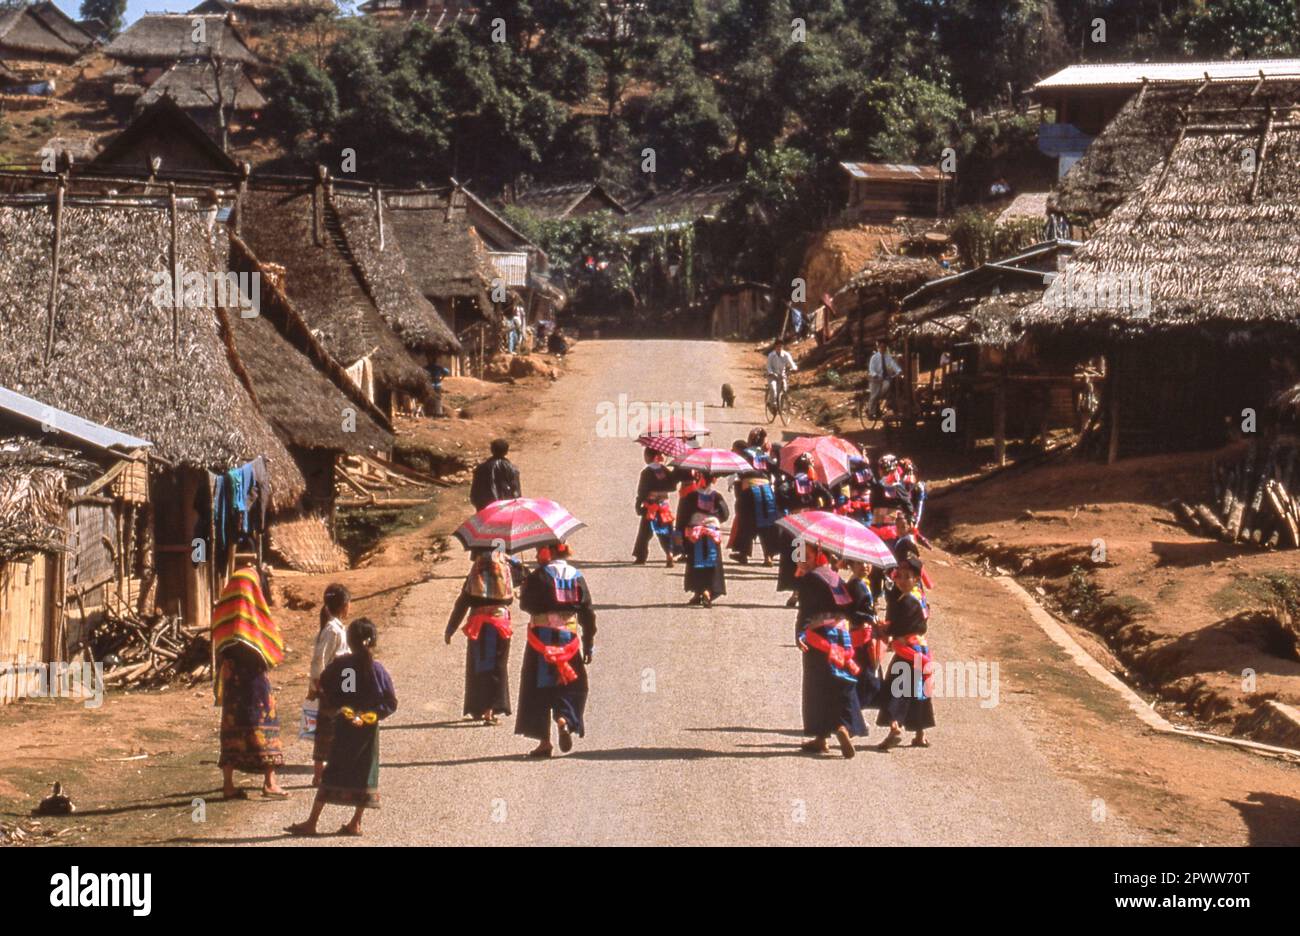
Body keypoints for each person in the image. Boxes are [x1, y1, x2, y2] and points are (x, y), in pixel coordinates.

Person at [287, 619, 398, 837]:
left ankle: (312, 822)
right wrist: (368, 716)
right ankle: (356, 822)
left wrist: (343, 708)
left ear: (349, 640)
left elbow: (328, 685)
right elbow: (390, 702)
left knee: (334, 770)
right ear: (372, 642)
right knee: (365, 773)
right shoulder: (377, 670)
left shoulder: (343, 666)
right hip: (367, 730)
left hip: (345, 726)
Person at [212, 555, 286, 800]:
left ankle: (228, 785)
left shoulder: (225, 612)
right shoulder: (254, 617)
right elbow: (268, 642)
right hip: (254, 681)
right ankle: (269, 782)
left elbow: (219, 642)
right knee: (265, 724)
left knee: (232, 727)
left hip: (233, 682)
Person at [516, 543, 596, 757]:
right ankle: (565, 719)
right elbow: (587, 611)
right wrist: (588, 643)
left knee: (537, 688)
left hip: (540, 640)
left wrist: (525, 587)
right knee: (571, 685)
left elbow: (527, 606)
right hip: (567, 639)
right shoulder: (576, 575)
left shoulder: (540, 576)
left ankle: (544, 742)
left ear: (547, 552)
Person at [795, 546, 868, 758]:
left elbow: (806, 611)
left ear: (818, 556)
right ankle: (839, 729)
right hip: (841, 635)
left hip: (819, 637)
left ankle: (826, 734)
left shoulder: (810, 580)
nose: (801, 563)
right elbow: (849, 609)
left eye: (805, 558)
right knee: (839, 681)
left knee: (817, 685)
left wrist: (799, 633)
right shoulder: (836, 579)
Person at [444, 548, 522, 725]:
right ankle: (490, 710)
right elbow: (523, 580)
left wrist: (450, 628)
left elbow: (463, 602)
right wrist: (517, 563)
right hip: (500, 624)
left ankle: (477, 708)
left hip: (478, 625)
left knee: (478, 665)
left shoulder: (475, 573)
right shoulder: (507, 570)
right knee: (498, 666)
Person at [876, 557, 936, 750]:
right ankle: (920, 734)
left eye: (907, 577)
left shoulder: (907, 601)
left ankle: (895, 726)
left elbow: (900, 626)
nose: (901, 580)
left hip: (907, 650)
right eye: (899, 576)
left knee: (895, 689)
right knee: (918, 691)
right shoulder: (920, 597)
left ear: (917, 578)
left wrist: (885, 630)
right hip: (920, 650)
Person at [776, 453, 833, 607]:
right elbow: (829, 498)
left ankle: (797, 591)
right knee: (809, 557)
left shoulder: (790, 483)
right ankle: (804, 591)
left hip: (796, 524)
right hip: (812, 524)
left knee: (797, 557)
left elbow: (780, 496)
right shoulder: (814, 484)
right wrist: (821, 509)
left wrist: (789, 506)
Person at [309, 583, 351, 786]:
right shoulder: (332, 631)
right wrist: (318, 686)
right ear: (345, 605)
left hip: (339, 687)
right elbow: (320, 659)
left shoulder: (336, 628)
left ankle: (331, 771)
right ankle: (319, 775)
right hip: (331, 689)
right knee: (327, 731)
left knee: (334, 730)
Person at [729, 441, 781, 565]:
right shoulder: (764, 457)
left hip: (750, 492)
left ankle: (743, 554)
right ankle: (768, 556)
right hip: (766, 491)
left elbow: (735, 477)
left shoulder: (742, 457)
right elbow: (776, 470)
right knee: (768, 523)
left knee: (746, 522)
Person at [843, 559, 883, 711]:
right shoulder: (855, 585)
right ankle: (855, 710)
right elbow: (853, 613)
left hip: (863, 634)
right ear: (851, 566)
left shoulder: (861, 583)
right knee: (864, 673)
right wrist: (870, 617)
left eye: (868, 563)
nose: (865, 566)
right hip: (860, 636)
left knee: (865, 673)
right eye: (859, 563)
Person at [633, 448, 678, 567]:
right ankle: (670, 553)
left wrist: (638, 504)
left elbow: (642, 491)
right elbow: (673, 486)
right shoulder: (664, 470)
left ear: (649, 457)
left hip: (651, 506)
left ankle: (641, 556)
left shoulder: (646, 472)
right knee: (665, 531)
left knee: (644, 533)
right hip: (663, 506)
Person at [683, 511, 726, 607]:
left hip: (695, 533)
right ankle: (707, 592)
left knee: (695, 565)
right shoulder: (716, 497)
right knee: (712, 564)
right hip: (712, 532)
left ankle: (699, 592)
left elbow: (684, 515)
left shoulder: (691, 497)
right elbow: (725, 513)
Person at [470, 438, 521, 510]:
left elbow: (475, 493)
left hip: (486, 508)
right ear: (506, 451)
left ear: (491, 450)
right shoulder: (512, 469)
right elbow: (516, 492)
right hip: (505, 508)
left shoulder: (481, 469)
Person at [867, 340, 902, 419]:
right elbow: (871, 369)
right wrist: (875, 375)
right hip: (875, 379)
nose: (883, 349)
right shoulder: (874, 357)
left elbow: (893, 364)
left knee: (887, 387)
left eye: (884, 347)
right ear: (878, 348)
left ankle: (885, 406)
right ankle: (870, 412)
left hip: (884, 379)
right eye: (881, 347)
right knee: (874, 395)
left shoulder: (887, 357)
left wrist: (899, 371)